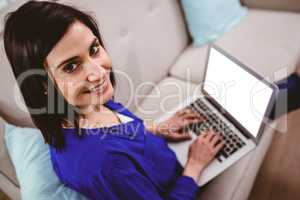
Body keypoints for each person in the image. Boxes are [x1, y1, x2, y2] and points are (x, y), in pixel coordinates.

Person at [3, 1, 224, 199]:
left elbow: (120, 128)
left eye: (94, 49)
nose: (99, 72)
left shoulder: (83, 107)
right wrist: (195, 166)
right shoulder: (104, 163)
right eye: (71, 66)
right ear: (42, 85)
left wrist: (157, 128)